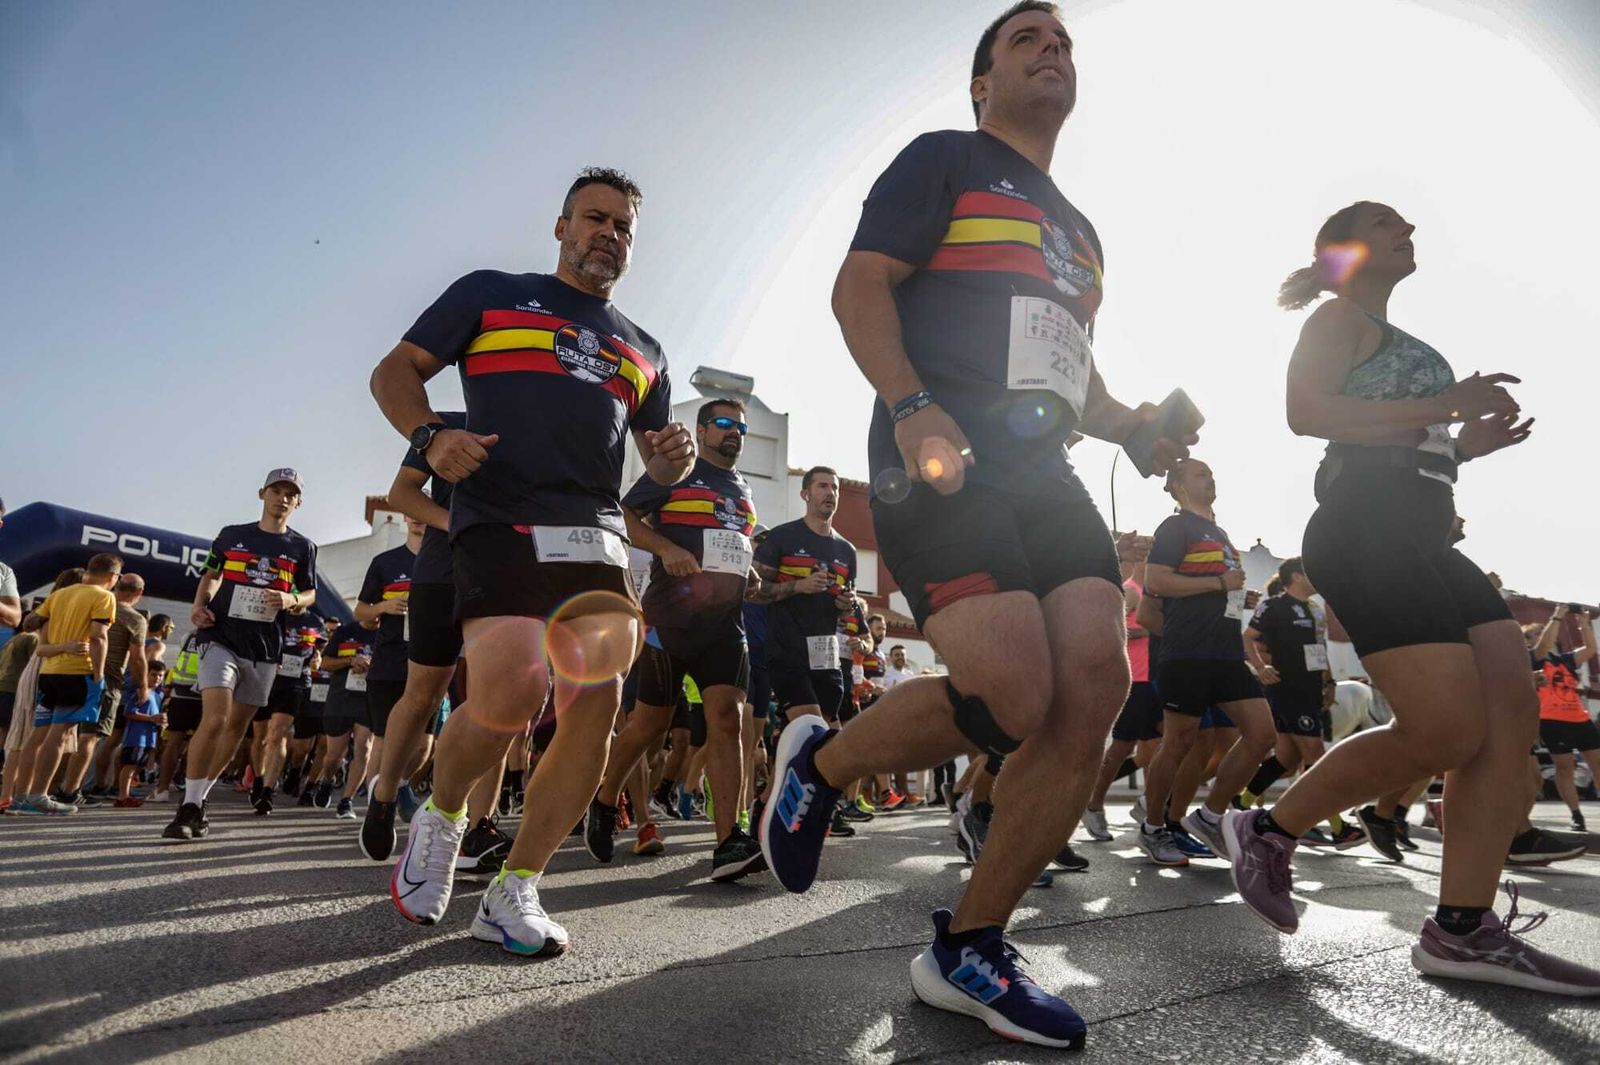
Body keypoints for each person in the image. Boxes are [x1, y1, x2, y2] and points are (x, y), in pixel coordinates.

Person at [765, 3, 1191, 1048]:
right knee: (1010, 689)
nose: (1053, 49)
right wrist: (910, 405)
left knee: (1093, 684)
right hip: (939, 447)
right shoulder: (944, 159)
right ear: (980, 82)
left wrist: (1139, 429)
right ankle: (818, 765)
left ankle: (968, 945)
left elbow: (1071, 375)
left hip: (1044, 468)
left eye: (1064, 41)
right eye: (1025, 40)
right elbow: (859, 285)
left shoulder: (1080, 234)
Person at [1225, 200, 1600, 996]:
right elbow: (1307, 413)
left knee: (1509, 714)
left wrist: (1465, 445)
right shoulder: (1337, 317)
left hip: (1425, 533)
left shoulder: (1391, 334)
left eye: (1409, 225)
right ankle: (1265, 827)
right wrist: (1444, 405)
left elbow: (1409, 443)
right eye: (1389, 224)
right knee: (1445, 728)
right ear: (1346, 252)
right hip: (1367, 528)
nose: (1410, 232)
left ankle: (1463, 927)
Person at [371, 166, 692, 955]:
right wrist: (428, 438)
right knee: (514, 688)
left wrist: (676, 464)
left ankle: (516, 889)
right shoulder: (491, 292)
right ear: (560, 227)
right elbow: (394, 372)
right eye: (594, 218)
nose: (607, 234)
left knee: (598, 705)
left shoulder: (644, 348)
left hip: (597, 536)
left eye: (622, 226)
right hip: (502, 515)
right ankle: (442, 816)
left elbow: (657, 462)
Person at [587, 397, 764, 880]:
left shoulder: (744, 489)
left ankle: (729, 840)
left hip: (726, 625)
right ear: (703, 431)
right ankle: (603, 801)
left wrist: (747, 574)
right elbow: (621, 515)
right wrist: (665, 548)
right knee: (649, 726)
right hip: (671, 620)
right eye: (724, 424)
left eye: (740, 428)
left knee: (728, 719)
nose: (734, 434)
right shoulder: (675, 473)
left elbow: (732, 544)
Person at [162, 469, 319, 841]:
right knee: (215, 718)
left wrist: (291, 599)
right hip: (222, 638)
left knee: (237, 727)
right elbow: (211, 576)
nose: (282, 498)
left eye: (290, 494)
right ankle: (187, 804)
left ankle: (199, 802)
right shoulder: (232, 536)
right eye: (277, 490)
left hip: (265, 647)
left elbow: (310, 594)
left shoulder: (302, 547)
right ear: (262, 493)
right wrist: (199, 606)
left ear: (298, 503)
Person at [1132, 460, 1275, 865]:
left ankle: (1210, 816)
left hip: (1226, 652)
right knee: (1178, 743)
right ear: (1178, 486)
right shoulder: (1175, 528)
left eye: (1212, 473)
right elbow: (1156, 583)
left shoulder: (1220, 533)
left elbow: (1218, 587)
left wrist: (1234, 598)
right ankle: (1153, 827)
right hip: (1187, 653)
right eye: (1199, 474)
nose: (1210, 479)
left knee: (1263, 735)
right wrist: (1217, 585)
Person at [361, 411, 468, 861]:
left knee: (494, 705)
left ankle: (471, 822)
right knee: (423, 695)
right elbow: (402, 493)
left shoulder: (537, 429)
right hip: (442, 575)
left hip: (507, 579)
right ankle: (384, 794)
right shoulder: (446, 422)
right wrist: (455, 523)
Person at [748, 466, 858, 839]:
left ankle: (770, 801)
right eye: (823, 486)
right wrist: (799, 586)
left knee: (828, 734)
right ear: (805, 494)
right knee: (809, 727)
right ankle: (795, 808)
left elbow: (846, 602)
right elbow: (754, 591)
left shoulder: (847, 550)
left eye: (836, 488)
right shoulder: (781, 538)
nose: (831, 493)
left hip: (826, 652)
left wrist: (847, 603)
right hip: (787, 647)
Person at [1241, 558, 1366, 849]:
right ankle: (1338, 828)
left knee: (1286, 759)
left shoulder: (1314, 608)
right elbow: (1247, 639)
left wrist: (1330, 682)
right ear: (1295, 576)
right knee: (1316, 757)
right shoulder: (1273, 606)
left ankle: (1240, 803)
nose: (1317, 577)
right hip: (1287, 690)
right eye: (1310, 572)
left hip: (1311, 691)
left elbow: (1319, 649)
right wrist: (1261, 668)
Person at [1524, 606, 1600, 833]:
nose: (1542, 635)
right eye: (1535, 633)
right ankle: (1576, 815)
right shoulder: (1532, 658)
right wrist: (1558, 613)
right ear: (1528, 642)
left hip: (1579, 717)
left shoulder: (1565, 660)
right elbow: (1544, 646)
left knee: (1598, 763)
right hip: (1552, 720)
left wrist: (1584, 624)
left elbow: (1590, 649)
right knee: (1565, 767)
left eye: (1540, 631)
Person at [115, 661, 166, 807]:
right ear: (146, 675)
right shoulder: (140, 693)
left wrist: (160, 720)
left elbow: (156, 715)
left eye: (160, 676)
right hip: (136, 737)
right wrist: (150, 718)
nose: (157, 678)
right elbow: (128, 712)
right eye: (153, 674)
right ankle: (122, 796)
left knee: (136, 767)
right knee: (129, 765)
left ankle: (127, 794)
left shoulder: (157, 695)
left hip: (149, 738)